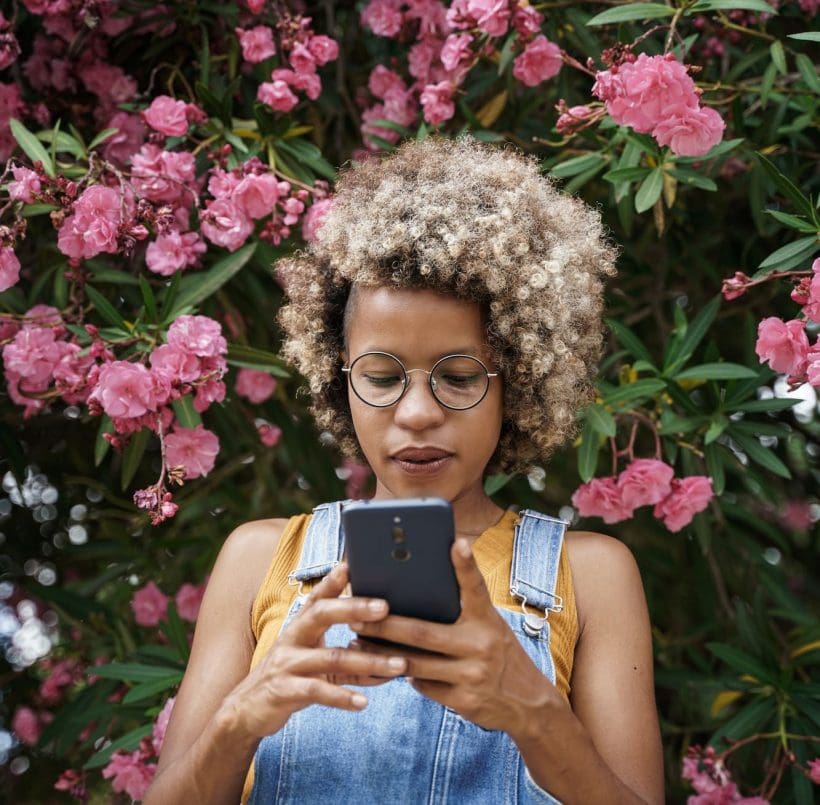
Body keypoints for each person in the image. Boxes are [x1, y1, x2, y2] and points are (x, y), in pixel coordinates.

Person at [145, 137, 664, 804]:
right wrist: (243, 715)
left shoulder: (591, 577)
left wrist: (531, 710)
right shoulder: (258, 559)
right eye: (383, 376)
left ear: (520, 380)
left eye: (457, 375)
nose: (417, 412)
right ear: (340, 378)